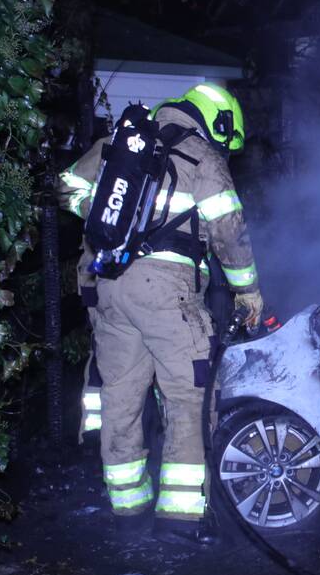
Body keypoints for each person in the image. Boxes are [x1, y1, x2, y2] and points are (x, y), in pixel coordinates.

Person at [57, 83, 263, 546]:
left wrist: (103, 219)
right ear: (218, 124)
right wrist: (247, 291)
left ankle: (128, 512)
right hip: (167, 296)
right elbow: (229, 233)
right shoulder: (201, 158)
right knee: (189, 398)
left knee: (122, 397)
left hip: (108, 287)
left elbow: (66, 185)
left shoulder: (119, 142)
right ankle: (182, 517)